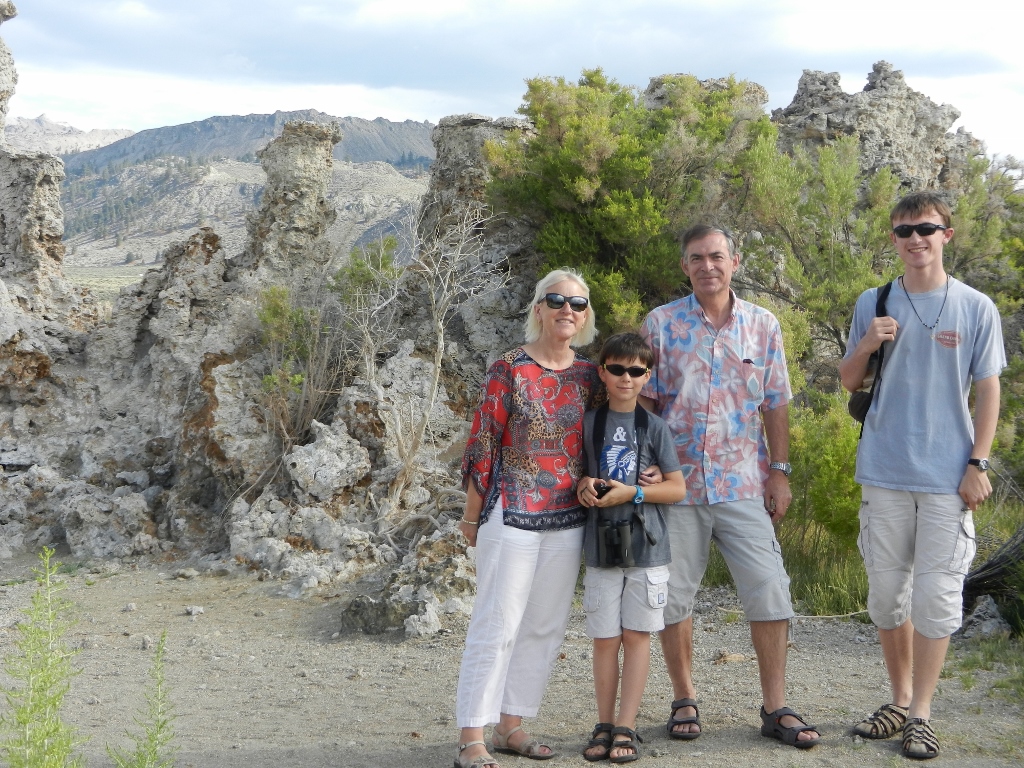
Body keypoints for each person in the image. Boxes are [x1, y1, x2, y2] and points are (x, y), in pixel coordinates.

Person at [639, 224, 821, 749]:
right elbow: (646, 401)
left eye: (716, 256)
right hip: (679, 488)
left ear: (734, 262)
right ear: (685, 266)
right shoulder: (661, 324)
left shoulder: (762, 326)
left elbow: (777, 402)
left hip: (744, 482)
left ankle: (776, 705)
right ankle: (684, 698)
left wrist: (779, 472)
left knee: (770, 589)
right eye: (696, 258)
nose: (707, 266)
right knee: (674, 597)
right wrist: (644, 464)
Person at [838, 191, 1004, 760]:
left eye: (926, 229)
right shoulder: (874, 301)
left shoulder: (976, 307)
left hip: (947, 477)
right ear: (893, 239)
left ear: (946, 236)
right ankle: (899, 700)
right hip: (883, 471)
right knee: (887, 595)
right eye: (904, 231)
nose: (915, 239)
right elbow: (848, 381)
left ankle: (922, 715)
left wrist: (977, 462)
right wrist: (867, 340)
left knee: (937, 597)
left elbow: (988, 388)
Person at [453, 268, 602, 768]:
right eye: (556, 300)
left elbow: (604, 439)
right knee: (496, 623)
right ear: (538, 308)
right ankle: (472, 736)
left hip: (567, 520)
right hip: (510, 514)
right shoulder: (508, 368)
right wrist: (472, 518)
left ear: (585, 318)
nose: (567, 310)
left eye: (577, 305)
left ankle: (510, 725)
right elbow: (482, 444)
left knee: (543, 625)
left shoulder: (589, 375)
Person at [576, 333, 687, 763]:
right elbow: (576, 475)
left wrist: (633, 495)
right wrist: (585, 485)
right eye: (617, 369)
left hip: (647, 547)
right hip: (601, 547)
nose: (627, 378)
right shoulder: (588, 423)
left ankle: (627, 725)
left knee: (637, 636)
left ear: (647, 376)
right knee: (605, 639)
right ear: (602, 371)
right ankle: (603, 724)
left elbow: (676, 489)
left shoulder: (655, 427)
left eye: (637, 371)